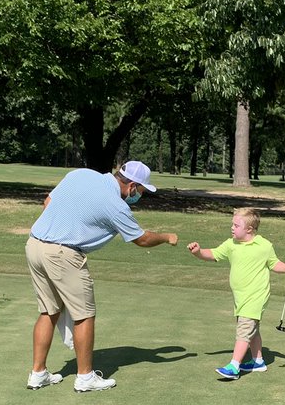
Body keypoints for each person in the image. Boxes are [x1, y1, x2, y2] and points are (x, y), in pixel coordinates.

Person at [26, 161, 178, 391]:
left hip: (35, 245)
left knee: (49, 310)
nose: (139, 197)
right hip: (63, 253)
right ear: (133, 187)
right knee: (84, 315)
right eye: (142, 192)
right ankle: (85, 378)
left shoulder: (82, 174)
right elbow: (142, 239)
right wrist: (167, 237)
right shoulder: (116, 205)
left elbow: (48, 202)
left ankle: (38, 374)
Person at [187, 207, 285, 380]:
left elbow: (274, 264)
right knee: (252, 330)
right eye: (232, 224)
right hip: (240, 297)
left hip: (256, 296)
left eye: (236, 225)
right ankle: (258, 361)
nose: (232, 227)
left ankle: (234, 366)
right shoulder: (231, 244)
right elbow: (213, 254)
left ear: (249, 229)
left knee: (244, 331)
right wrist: (198, 252)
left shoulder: (264, 245)